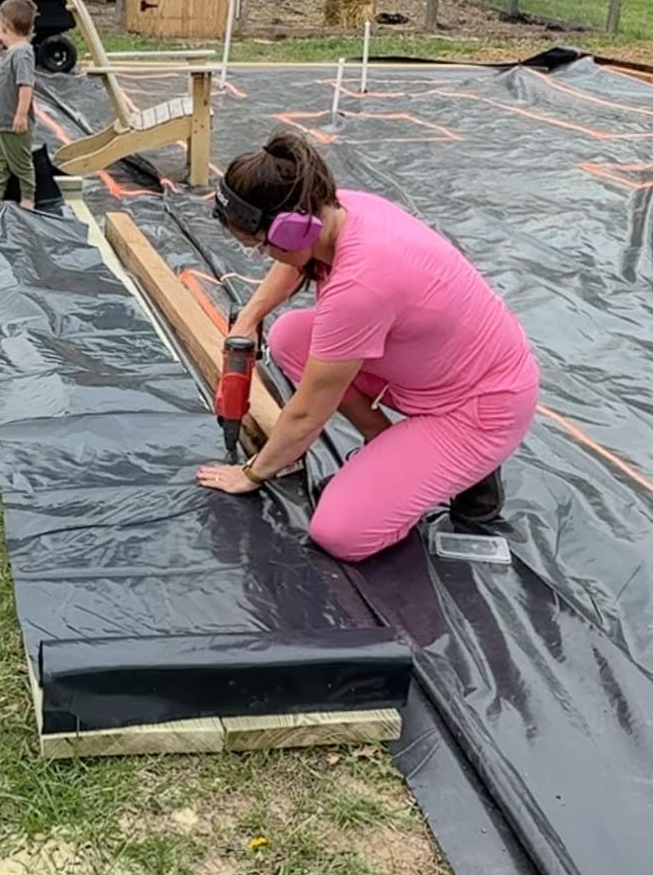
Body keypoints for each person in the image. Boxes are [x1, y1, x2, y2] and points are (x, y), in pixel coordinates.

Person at [196, 131, 539, 561]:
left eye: (261, 247)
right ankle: (387, 447)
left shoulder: (360, 286)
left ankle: (440, 475)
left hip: (480, 410)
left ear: (292, 229)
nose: (265, 256)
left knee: (340, 531)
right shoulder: (339, 208)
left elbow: (305, 414)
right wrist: (249, 317)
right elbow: (298, 261)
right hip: (440, 369)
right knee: (290, 338)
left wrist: (253, 472)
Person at [0, 0, 37, 210]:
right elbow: (3, 74)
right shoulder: (12, 51)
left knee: (20, 163)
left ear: (4, 26)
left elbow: (26, 86)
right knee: (0, 161)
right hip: (1, 121)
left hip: (14, 122)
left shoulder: (23, 53)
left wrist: (21, 114)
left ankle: (28, 198)